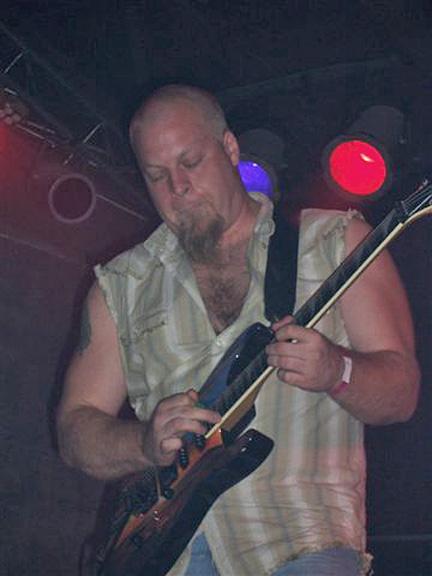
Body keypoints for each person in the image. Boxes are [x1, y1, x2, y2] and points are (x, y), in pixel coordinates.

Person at [56, 84, 420, 576]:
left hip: (298, 543)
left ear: (229, 148)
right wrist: (142, 442)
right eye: (157, 176)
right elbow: (75, 429)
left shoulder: (335, 242)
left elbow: (401, 392)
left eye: (190, 162)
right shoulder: (122, 284)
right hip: (168, 557)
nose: (178, 187)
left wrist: (337, 370)